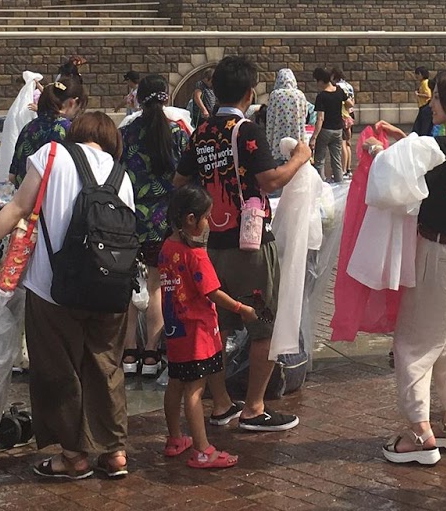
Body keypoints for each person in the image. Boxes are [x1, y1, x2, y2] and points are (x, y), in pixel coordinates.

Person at [0, 111, 133, 480]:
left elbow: (17, 208)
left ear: (77, 132)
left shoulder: (52, 154)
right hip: (112, 289)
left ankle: (73, 456)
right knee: (105, 367)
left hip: (54, 288)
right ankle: (114, 451)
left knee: (58, 370)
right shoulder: (121, 174)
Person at [175, 55, 310, 434]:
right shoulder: (247, 130)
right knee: (263, 325)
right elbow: (270, 180)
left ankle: (221, 403)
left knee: (216, 326)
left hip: (212, 244)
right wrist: (300, 159)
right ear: (250, 93)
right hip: (250, 246)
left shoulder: (202, 131)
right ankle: (254, 408)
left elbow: (179, 181)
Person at [382, 70, 446, 465]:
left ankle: (420, 434)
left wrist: (376, 152)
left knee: (413, 343)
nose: (432, 103)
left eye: (439, 97)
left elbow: (395, 180)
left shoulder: (440, 148)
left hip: (441, 252)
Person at [159, 183, 254, 470]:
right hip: (197, 332)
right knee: (195, 391)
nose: (209, 223)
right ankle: (202, 450)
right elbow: (212, 292)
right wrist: (241, 308)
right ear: (191, 219)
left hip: (175, 329)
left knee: (176, 383)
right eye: (206, 217)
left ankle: (175, 438)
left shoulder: (167, 247)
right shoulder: (196, 254)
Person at [118, 73, 191, 379]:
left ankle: (128, 351)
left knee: (130, 285)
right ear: (166, 97)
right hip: (164, 220)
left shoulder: (126, 133)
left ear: (137, 98)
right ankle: (151, 352)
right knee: (157, 286)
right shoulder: (177, 132)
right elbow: (187, 174)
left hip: (131, 218)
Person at [311, 67, 348, 184]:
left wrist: (314, 137)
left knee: (319, 160)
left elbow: (320, 118)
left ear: (321, 81)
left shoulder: (321, 96)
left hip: (325, 130)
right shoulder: (339, 91)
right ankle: (339, 184)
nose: (317, 84)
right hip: (338, 130)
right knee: (336, 161)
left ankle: (320, 185)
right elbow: (349, 103)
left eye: (317, 81)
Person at [262, 68, 308, 157]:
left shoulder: (275, 95)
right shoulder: (300, 95)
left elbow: (270, 117)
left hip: (278, 134)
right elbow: (304, 114)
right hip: (296, 132)